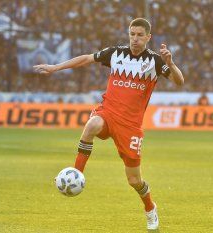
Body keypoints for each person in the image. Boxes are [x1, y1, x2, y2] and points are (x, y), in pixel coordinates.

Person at [33, 18, 184, 230]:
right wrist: (55, 67)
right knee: (92, 125)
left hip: (130, 126)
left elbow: (179, 82)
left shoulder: (156, 61)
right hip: (109, 112)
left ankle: (150, 208)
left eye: (140, 35)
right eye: (132, 34)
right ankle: (77, 174)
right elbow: (86, 58)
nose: (135, 39)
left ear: (148, 37)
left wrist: (171, 64)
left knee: (134, 181)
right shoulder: (116, 53)